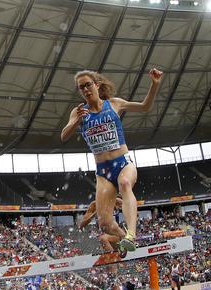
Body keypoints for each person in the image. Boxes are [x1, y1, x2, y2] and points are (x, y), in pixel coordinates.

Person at [62, 68, 162, 254]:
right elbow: (64, 135)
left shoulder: (114, 104)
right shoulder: (78, 112)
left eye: (88, 85)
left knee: (125, 183)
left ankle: (132, 234)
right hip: (103, 171)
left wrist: (154, 84)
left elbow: (144, 106)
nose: (85, 89)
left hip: (123, 163)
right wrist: (77, 121)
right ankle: (125, 240)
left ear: (97, 85)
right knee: (105, 224)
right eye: (81, 87)